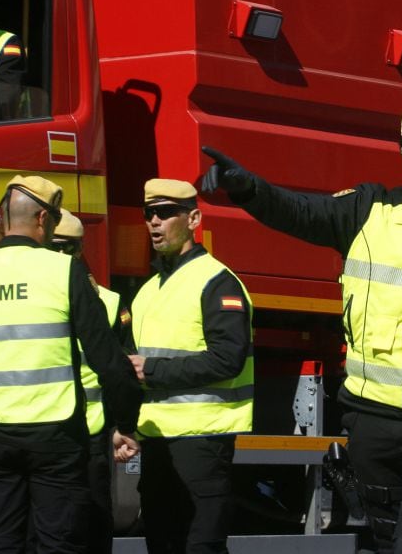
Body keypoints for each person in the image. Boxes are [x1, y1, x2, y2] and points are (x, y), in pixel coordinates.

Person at [201, 98, 402, 554]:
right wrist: (247, 189)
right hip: (371, 422)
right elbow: (299, 211)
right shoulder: (369, 210)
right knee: (390, 544)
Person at [0, 175, 142, 554]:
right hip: (57, 437)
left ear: (6, 216)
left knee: (0, 542)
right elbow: (110, 362)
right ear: (44, 220)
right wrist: (126, 424)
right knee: (58, 542)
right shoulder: (64, 272)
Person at [120, 178, 254, 554]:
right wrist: (126, 426)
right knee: (162, 545)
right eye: (149, 214)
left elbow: (228, 359)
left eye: (166, 214)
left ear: (194, 218)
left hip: (203, 442)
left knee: (201, 547)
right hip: (158, 441)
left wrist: (154, 371)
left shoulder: (217, 281)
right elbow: (133, 367)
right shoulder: (147, 290)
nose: (155, 223)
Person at [29, 209, 124, 554]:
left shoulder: (109, 304)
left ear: (80, 250)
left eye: (66, 249)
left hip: (90, 437)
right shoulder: (27, 302)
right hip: (41, 432)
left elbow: (119, 373)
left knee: (92, 528)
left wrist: (122, 426)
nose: (58, 257)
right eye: (52, 247)